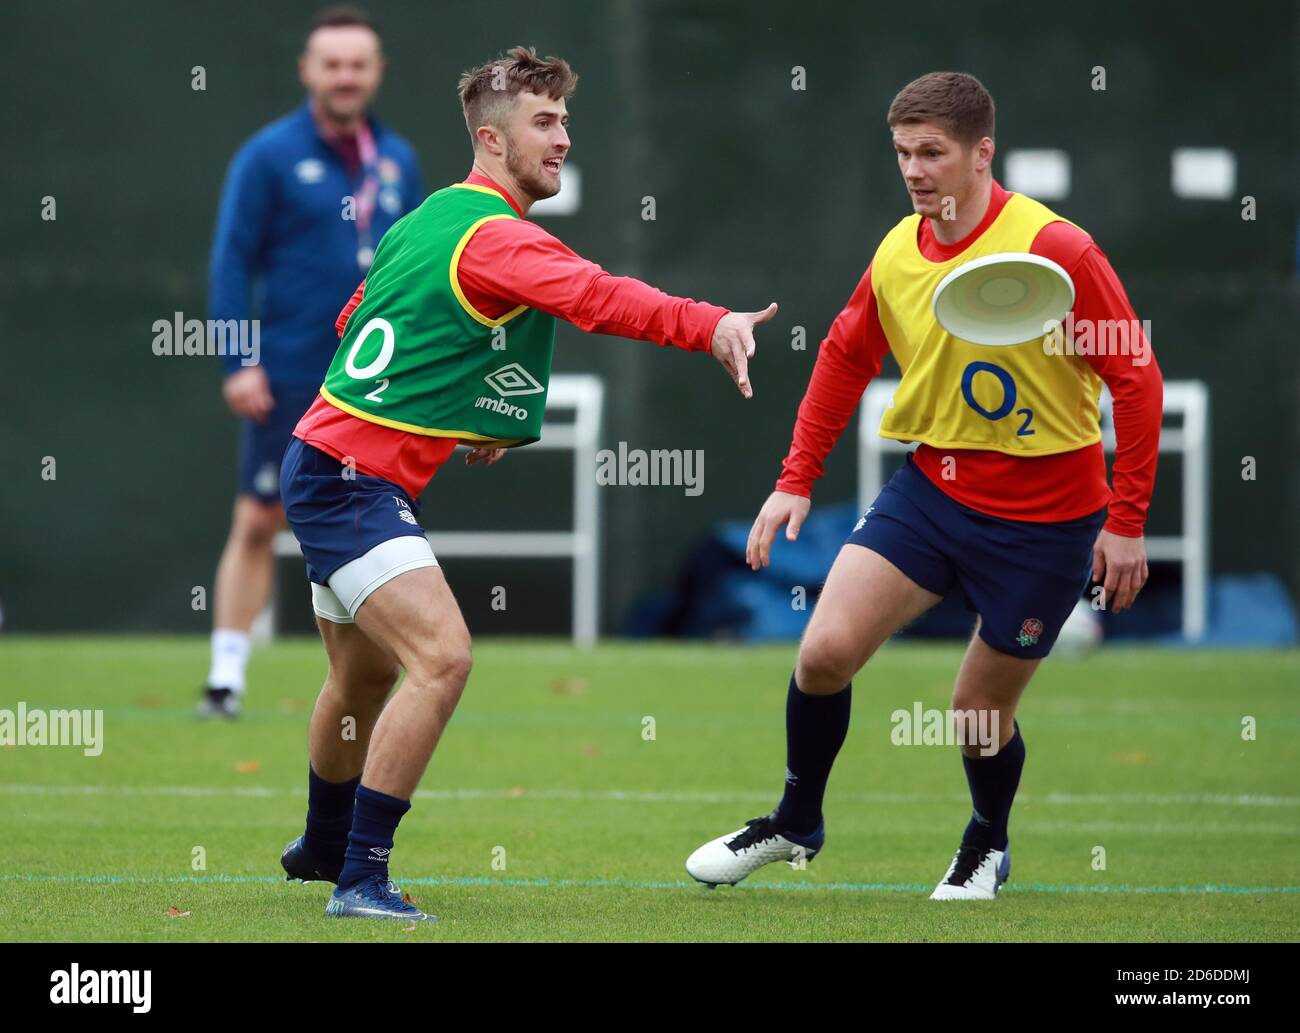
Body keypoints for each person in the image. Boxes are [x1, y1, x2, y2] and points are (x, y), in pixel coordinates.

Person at [277, 46, 777, 921]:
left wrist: (459, 404)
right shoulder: (501, 236)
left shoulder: (429, 216)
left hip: (328, 463)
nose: (563, 138)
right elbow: (597, 297)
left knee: (359, 683)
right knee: (443, 659)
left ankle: (322, 844)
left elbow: (359, 317)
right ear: (491, 138)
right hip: (352, 483)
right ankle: (361, 876)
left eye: (566, 121)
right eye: (544, 123)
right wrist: (709, 325)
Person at [685, 71, 1162, 900]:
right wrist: (794, 479)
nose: (913, 169)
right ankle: (797, 820)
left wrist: (1125, 522)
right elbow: (843, 357)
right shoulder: (899, 249)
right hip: (932, 492)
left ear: (983, 154)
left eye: (932, 152)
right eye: (903, 152)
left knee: (976, 713)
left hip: (1047, 520)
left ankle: (987, 841)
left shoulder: (1057, 249)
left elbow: (1137, 378)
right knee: (824, 652)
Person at [201, 5, 423, 717]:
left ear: (378, 71)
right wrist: (238, 358)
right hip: (292, 368)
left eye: (358, 64)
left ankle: (371, 677)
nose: (346, 77)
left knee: (377, 517)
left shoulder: (398, 160)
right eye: (332, 64)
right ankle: (226, 677)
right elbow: (232, 260)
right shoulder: (267, 155)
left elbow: (425, 267)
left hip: (375, 376)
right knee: (260, 518)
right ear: (307, 71)